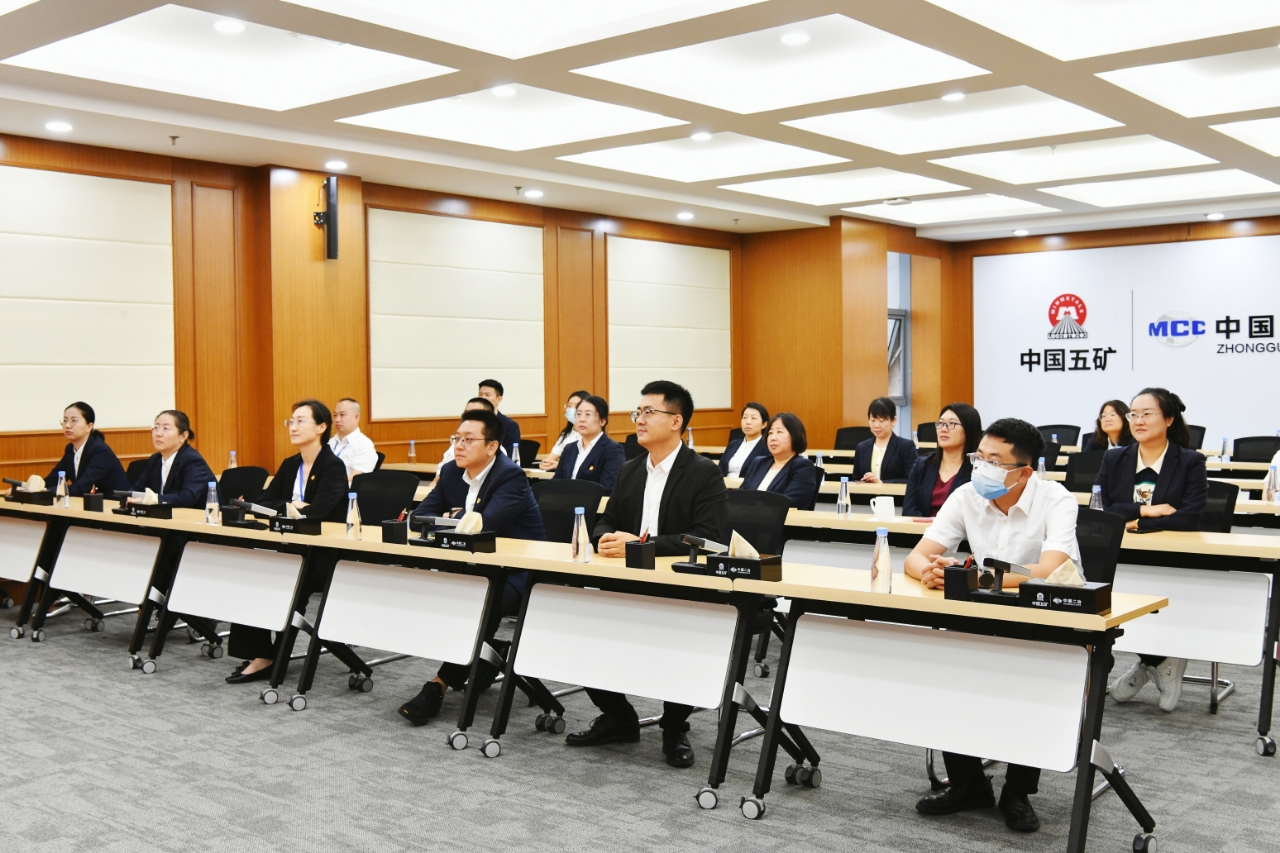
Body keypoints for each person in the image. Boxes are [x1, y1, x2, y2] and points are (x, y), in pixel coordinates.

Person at [904, 418, 1080, 834]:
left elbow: (1047, 569)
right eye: (979, 457)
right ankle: (968, 784)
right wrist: (932, 572)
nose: (981, 467)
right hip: (985, 611)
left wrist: (971, 576)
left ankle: (1017, 792)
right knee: (949, 670)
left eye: (994, 461)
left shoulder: (1056, 499)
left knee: (1030, 687)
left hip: (1046, 617)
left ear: (1024, 471)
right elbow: (915, 557)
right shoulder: (966, 496)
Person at [566, 380, 728, 768]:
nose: (639, 419)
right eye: (637, 412)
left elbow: (708, 538)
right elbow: (607, 521)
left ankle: (674, 726)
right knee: (577, 628)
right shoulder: (629, 470)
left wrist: (641, 544)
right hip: (626, 581)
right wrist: (605, 538)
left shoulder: (704, 472)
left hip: (680, 587)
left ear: (676, 421)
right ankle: (620, 718)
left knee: (676, 642)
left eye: (649, 412)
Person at [397, 408, 546, 725]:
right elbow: (419, 518)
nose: (459, 445)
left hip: (517, 573)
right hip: (472, 567)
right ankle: (492, 653)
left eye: (468, 439)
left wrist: (451, 518)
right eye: (456, 438)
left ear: (492, 446)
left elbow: (485, 526)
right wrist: (455, 518)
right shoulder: (451, 472)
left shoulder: (510, 476)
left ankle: (438, 685)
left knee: (481, 606)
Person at [225, 400, 348, 685]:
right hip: (289, 546)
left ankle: (273, 658)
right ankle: (259, 653)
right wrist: (291, 505)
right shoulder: (291, 464)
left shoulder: (333, 466)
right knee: (250, 573)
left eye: (301, 421)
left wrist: (290, 508)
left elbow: (317, 513)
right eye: (291, 421)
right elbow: (263, 503)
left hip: (322, 554)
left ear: (321, 427)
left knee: (286, 584)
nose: (293, 427)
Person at [1100, 388, 1207, 713]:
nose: (1138, 420)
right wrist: (1148, 511)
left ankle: (1155, 660)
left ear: (1169, 419)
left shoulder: (1190, 461)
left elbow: (1188, 517)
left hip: (1169, 558)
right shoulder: (1115, 458)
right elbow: (1104, 509)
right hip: (1122, 555)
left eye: (1147, 414)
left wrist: (1133, 521)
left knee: (1157, 603)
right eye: (1134, 414)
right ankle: (1157, 661)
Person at [903, 403, 981, 518]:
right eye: (940, 423)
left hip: (960, 529)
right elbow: (909, 509)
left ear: (969, 429)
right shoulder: (922, 465)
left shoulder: (978, 469)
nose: (943, 429)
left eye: (952, 424)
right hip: (922, 527)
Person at [130, 410, 216, 508]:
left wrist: (154, 499)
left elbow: (187, 497)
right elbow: (138, 489)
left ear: (183, 436)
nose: (158, 433)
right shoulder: (155, 459)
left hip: (201, 515)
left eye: (166, 428)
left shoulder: (193, 461)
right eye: (156, 427)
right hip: (167, 514)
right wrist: (130, 497)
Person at [44, 402, 131, 496]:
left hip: (113, 501)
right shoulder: (70, 449)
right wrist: (37, 486)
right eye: (65, 420)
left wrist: (46, 491)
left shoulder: (100, 451)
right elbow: (54, 479)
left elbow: (82, 488)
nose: (67, 425)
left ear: (89, 427)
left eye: (74, 420)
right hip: (88, 501)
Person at [739, 412, 818, 509]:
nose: (773, 438)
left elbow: (788, 502)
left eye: (779, 432)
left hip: (780, 518)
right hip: (748, 516)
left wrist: (752, 506)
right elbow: (741, 495)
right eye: (770, 433)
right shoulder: (758, 463)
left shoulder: (802, 466)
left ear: (795, 435)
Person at [552, 395, 625, 494]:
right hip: (564, 501)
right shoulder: (570, 448)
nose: (582, 419)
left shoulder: (613, 450)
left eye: (588, 414)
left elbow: (608, 489)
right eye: (578, 414)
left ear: (602, 421)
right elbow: (556, 482)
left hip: (593, 503)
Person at [853, 397, 917, 483]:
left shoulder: (906, 447)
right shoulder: (861, 447)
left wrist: (881, 483)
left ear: (893, 420)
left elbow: (912, 480)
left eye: (881, 421)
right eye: (873, 420)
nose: (876, 425)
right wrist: (863, 480)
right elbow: (855, 479)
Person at [329, 398, 378, 481]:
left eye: (342, 415)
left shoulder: (364, 445)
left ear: (356, 417)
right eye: (335, 415)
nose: (337, 420)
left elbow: (355, 479)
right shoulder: (330, 442)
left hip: (344, 488)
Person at [540, 390, 591, 471]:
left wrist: (560, 466)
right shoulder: (566, 434)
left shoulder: (591, 435)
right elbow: (550, 459)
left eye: (577, 406)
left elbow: (588, 466)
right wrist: (545, 464)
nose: (572, 409)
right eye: (569, 406)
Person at [719, 402, 771, 477]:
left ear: (764, 424)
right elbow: (720, 469)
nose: (748, 422)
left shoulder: (767, 447)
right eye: (745, 417)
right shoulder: (733, 444)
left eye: (753, 418)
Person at [440, 398, 494, 465]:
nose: (458, 446)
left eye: (469, 439)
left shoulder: (495, 450)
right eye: (466, 413)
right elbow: (441, 469)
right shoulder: (457, 444)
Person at [478, 379, 521, 459]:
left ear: (499, 399)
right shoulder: (471, 422)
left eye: (487, 395)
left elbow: (510, 456)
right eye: (480, 395)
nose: (482, 398)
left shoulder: (509, 425)